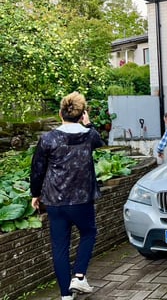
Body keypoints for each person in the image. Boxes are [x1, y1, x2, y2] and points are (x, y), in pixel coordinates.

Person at [30, 92, 104, 300]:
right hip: (81, 200)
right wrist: (88, 124)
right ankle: (79, 276)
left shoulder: (48, 139)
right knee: (88, 233)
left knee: (60, 247)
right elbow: (99, 141)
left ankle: (65, 296)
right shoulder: (89, 135)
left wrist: (35, 194)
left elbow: (37, 169)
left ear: (60, 113)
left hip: (55, 201)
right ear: (82, 114)